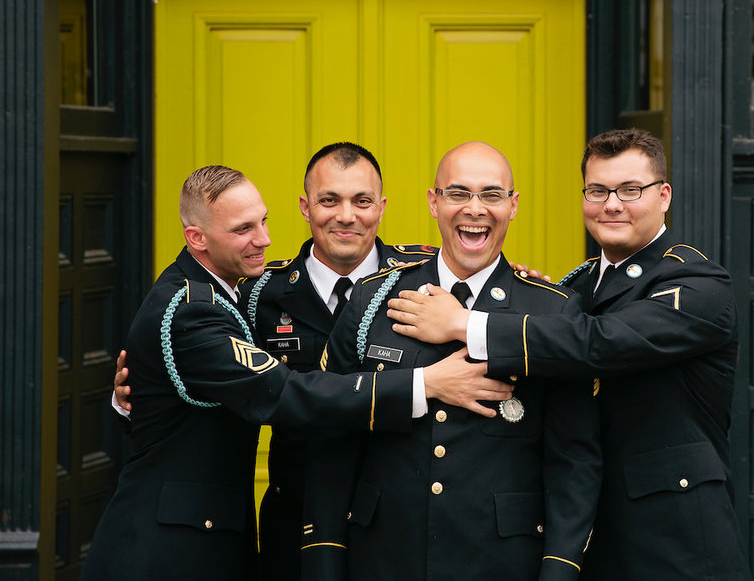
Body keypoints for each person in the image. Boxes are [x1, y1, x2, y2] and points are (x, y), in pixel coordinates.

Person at [81, 165, 513, 580]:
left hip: (392, 520)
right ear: (197, 238)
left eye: (263, 222)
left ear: (382, 206)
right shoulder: (217, 302)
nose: (264, 240)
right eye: (243, 230)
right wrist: (427, 383)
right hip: (184, 545)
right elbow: (283, 392)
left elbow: (488, 274)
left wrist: (515, 282)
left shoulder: (416, 273)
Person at [387, 128, 752, 580]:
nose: (612, 204)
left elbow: (601, 343)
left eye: (630, 190)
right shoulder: (573, 289)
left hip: (675, 543)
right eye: (597, 190)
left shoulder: (700, 285)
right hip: (583, 540)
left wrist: (465, 322)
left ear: (664, 196)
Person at [302, 142, 601, 580]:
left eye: (492, 195)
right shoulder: (373, 299)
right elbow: (331, 446)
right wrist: (324, 560)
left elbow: (574, 463)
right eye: (458, 193)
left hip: (501, 563)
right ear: (433, 201)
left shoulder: (551, 312)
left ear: (513, 206)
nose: (474, 209)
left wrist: (559, 571)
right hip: (384, 558)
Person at [238, 143, 436, 581]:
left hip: (396, 518)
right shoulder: (257, 295)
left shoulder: (424, 279)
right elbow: (225, 389)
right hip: (295, 517)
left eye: (361, 201)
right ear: (305, 208)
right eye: (330, 200)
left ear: (381, 208)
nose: (346, 216)